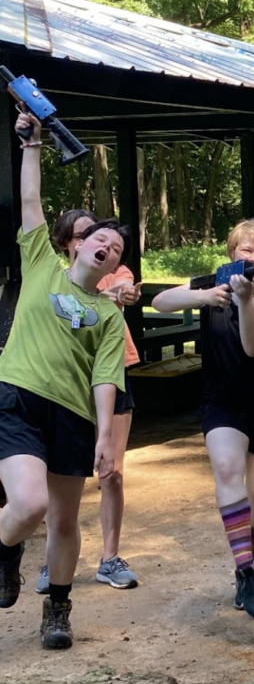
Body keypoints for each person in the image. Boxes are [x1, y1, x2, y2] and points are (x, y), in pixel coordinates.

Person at [0, 112, 128, 649]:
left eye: (116, 248)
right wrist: (30, 143)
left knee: (64, 520)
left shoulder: (108, 315)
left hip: (73, 416)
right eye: (99, 237)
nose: (106, 245)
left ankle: (57, 607)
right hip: (19, 398)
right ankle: (7, 553)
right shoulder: (41, 265)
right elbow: (31, 204)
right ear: (76, 245)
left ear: (114, 267)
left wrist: (104, 436)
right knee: (28, 506)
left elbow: (105, 379)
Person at [152, 220, 254, 617]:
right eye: (244, 250)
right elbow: (160, 302)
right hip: (221, 402)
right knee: (228, 471)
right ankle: (246, 572)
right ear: (231, 254)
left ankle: (251, 560)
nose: (251, 258)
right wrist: (204, 294)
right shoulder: (211, 284)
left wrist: (245, 301)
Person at [31, 210, 142, 595]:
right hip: (66, 386)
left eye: (108, 241)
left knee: (112, 471)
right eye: (83, 236)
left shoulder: (113, 270)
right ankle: (54, 559)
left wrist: (117, 293)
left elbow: (125, 288)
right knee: (56, 477)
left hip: (113, 375)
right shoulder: (51, 280)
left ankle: (110, 557)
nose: (97, 244)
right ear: (68, 244)